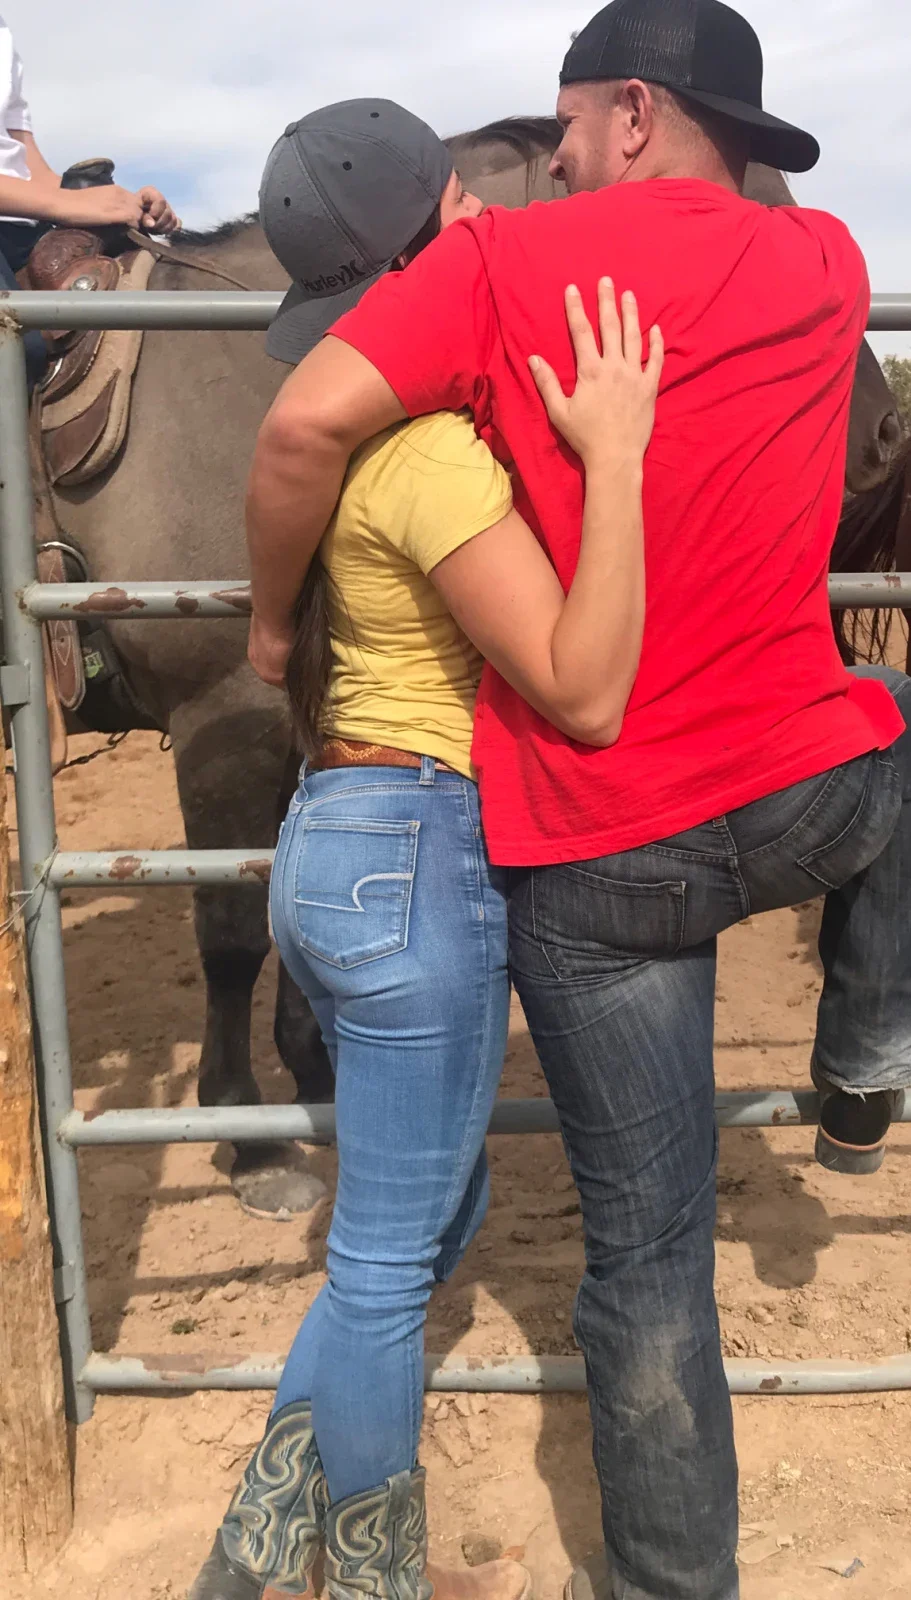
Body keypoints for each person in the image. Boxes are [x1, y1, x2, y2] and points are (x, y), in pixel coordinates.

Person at [243, 5, 911, 1597]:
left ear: (629, 111)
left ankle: (665, 1585)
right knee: (906, 718)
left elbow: (301, 422)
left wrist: (275, 627)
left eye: (564, 122)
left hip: (596, 852)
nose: (547, 154)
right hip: (787, 801)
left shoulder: (492, 276)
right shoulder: (829, 260)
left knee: (646, 1263)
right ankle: (869, 1043)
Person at [191, 100, 662, 1600]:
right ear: (443, 224)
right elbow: (582, 686)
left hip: (335, 842)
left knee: (426, 1217)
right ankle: (371, 1570)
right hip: (420, 853)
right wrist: (623, 456)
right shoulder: (435, 460)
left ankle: (260, 1536)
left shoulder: (328, 462)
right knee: (390, 1267)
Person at [0, 12, 179, 388]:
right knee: (14, 350)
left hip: (19, 223)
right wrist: (65, 206)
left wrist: (113, 202)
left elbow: (23, 160)